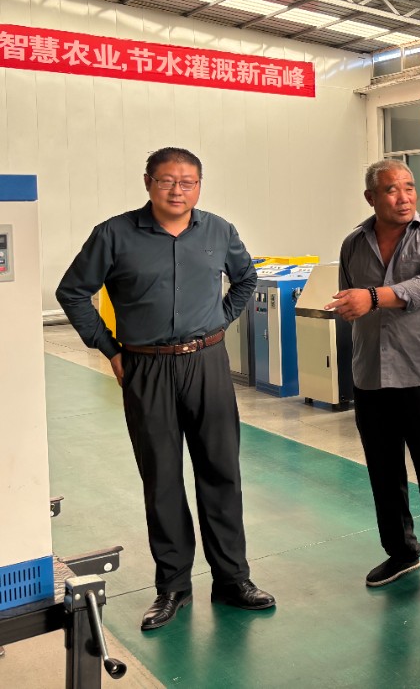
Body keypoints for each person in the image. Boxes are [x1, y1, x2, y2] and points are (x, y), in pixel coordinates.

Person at [56, 147, 274, 631]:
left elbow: (245, 279)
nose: (178, 190)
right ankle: (173, 586)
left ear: (199, 185)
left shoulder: (219, 231)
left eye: (188, 181)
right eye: (167, 180)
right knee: (162, 478)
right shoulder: (114, 234)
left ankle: (233, 579)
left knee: (221, 471)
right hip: (145, 367)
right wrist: (110, 349)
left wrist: (220, 320)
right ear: (148, 182)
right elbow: (72, 292)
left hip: (207, 364)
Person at [326, 160, 420, 608]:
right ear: (371, 197)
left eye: (409, 187)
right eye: (391, 189)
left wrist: (371, 297)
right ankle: (402, 552)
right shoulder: (353, 243)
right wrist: (352, 305)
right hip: (370, 375)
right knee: (384, 474)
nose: (403, 197)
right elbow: (349, 298)